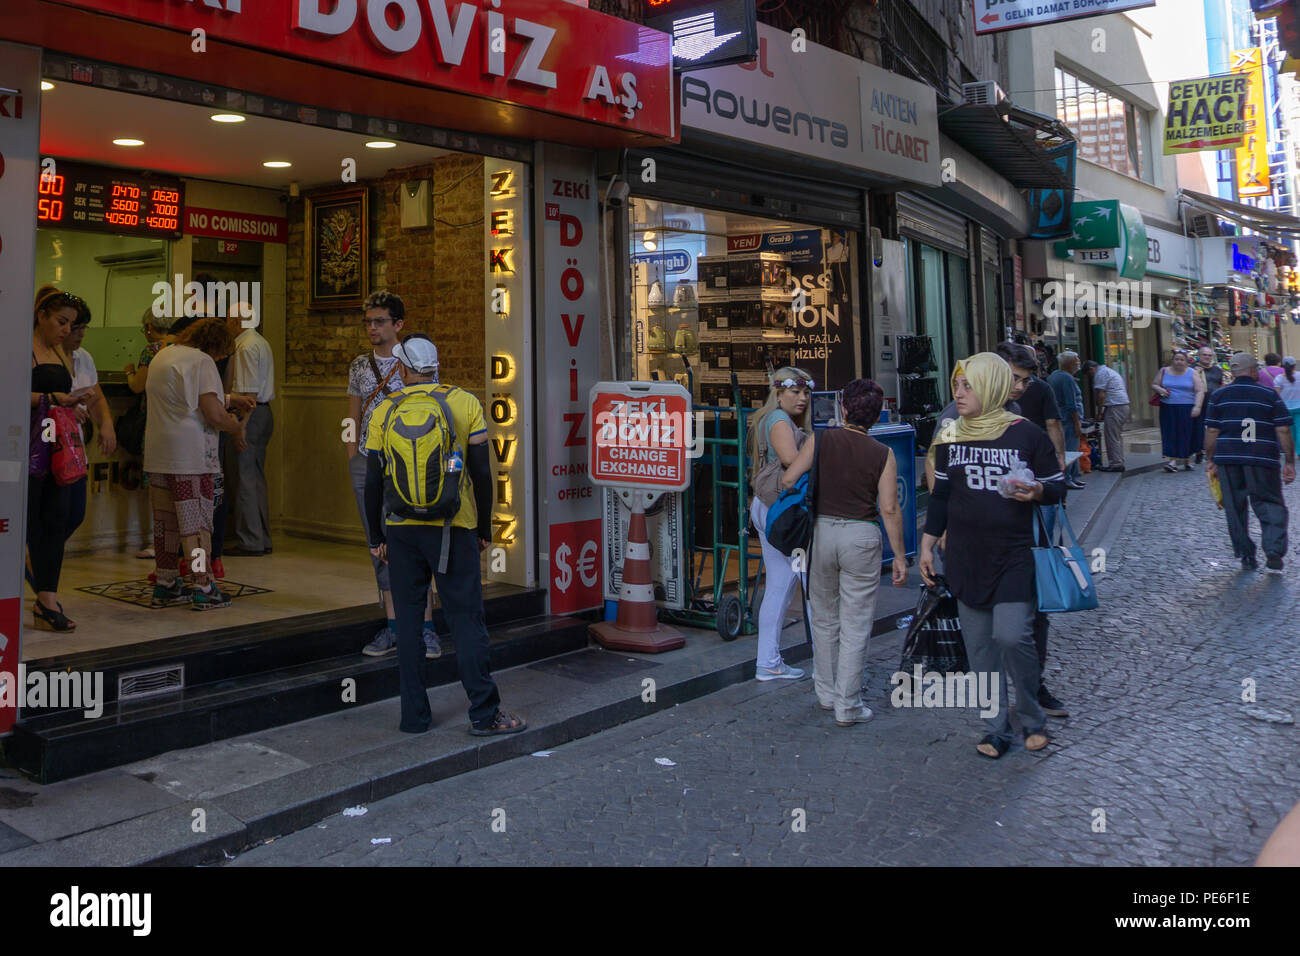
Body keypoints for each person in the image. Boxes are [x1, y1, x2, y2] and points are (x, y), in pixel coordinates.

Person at [364, 334, 525, 735]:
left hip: (401, 531)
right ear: (435, 367)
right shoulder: (464, 402)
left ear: (403, 369)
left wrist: (375, 536)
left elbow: (372, 481)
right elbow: (483, 473)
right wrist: (484, 526)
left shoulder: (384, 410)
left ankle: (414, 717)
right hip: (455, 528)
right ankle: (485, 714)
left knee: (409, 624)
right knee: (467, 620)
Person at [919, 353, 1066, 758]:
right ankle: (995, 729)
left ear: (992, 388)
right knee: (981, 649)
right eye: (957, 386)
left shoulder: (1027, 435)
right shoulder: (951, 435)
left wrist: (1036, 491)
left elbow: (1057, 485)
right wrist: (928, 543)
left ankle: (1032, 716)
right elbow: (942, 496)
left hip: (1014, 555)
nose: (959, 394)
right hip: (966, 557)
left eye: (968, 386)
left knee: (1012, 634)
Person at [780, 380, 908, 724]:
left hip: (821, 533)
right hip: (861, 536)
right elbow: (890, 508)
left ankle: (826, 692)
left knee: (823, 618)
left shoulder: (820, 439)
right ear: (877, 417)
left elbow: (789, 479)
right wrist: (899, 555)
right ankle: (847, 704)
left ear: (844, 408)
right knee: (855, 623)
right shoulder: (884, 453)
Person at [346, 291, 442, 659]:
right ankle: (393, 626)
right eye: (368, 321)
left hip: (410, 463)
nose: (372, 328)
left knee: (416, 540)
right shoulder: (358, 367)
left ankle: (426, 626)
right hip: (369, 461)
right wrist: (352, 455)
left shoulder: (418, 359)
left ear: (398, 324)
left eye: (380, 321)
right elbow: (352, 415)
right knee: (378, 543)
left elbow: (435, 405)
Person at [144, 317, 249, 609]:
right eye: (221, 353)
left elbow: (182, 397)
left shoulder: (163, 355)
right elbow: (213, 414)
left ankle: (165, 584)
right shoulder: (201, 361)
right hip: (191, 457)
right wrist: (236, 426)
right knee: (197, 525)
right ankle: (203, 586)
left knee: (166, 525)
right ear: (214, 345)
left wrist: (229, 398)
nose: (219, 358)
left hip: (159, 453)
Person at [28, 286, 94, 631]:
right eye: (61, 322)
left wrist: (74, 406)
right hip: (27, 442)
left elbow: (63, 398)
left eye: (71, 324)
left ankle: (47, 598)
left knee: (58, 517)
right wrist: (52, 399)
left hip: (55, 443)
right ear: (41, 316)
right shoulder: (22, 346)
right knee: (30, 517)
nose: (67, 330)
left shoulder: (59, 352)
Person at [746, 367, 816, 682]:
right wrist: (816, 447)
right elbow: (791, 461)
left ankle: (768, 661)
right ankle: (824, 659)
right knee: (807, 584)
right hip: (784, 513)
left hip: (769, 508)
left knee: (779, 585)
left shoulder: (771, 419)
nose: (802, 398)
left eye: (806, 393)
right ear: (779, 392)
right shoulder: (778, 421)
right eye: (795, 392)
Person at [1203, 352, 1295, 571]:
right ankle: (1273, 549)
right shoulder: (1269, 395)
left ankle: (1245, 554)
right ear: (1253, 370)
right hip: (1263, 458)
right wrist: (1289, 461)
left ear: (1233, 373)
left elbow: (1213, 430)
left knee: (1234, 508)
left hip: (1229, 458)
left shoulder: (1219, 396)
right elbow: (1283, 429)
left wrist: (1210, 458)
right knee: (1270, 502)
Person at [222, 301, 275, 556]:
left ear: (237, 321)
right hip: (265, 413)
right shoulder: (260, 341)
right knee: (255, 476)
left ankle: (250, 539)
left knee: (244, 477)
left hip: (250, 415)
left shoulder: (244, 346)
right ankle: (262, 537)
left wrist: (240, 426)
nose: (228, 324)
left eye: (230, 319)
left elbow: (248, 392)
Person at [66, 300, 117, 540]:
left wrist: (106, 423)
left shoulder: (84, 357)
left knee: (75, 512)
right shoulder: (41, 356)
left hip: (74, 450)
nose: (80, 334)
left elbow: (96, 397)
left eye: (83, 328)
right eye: (75, 328)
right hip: (48, 445)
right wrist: (66, 407)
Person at [125, 306, 173, 559]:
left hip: (153, 421)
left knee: (156, 486)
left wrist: (129, 371)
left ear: (149, 327)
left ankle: (158, 541)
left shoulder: (151, 350)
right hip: (175, 422)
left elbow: (136, 386)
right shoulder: (179, 347)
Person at [1151, 348, 1205, 472]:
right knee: (1170, 433)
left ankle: (1186, 459)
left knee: (1186, 433)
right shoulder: (1164, 371)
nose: (1179, 362)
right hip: (1168, 407)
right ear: (1172, 360)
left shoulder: (1192, 373)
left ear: (1186, 361)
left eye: (1182, 360)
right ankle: (1173, 461)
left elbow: (1199, 390)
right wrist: (1160, 390)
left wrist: (1197, 407)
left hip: (1187, 407)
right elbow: (1154, 384)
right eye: (1176, 359)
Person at [1082, 359, 1130, 471]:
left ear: (1091, 369)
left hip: (1115, 406)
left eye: (1089, 374)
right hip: (1121, 405)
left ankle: (1116, 464)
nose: (1090, 377)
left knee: (1111, 436)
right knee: (1115, 435)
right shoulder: (1108, 371)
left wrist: (1099, 413)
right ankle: (1118, 461)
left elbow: (1101, 395)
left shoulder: (1100, 373)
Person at [1047, 351, 1085, 489]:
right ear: (1070, 364)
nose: (1078, 363)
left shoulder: (1054, 376)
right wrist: (1077, 424)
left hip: (1061, 417)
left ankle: (1073, 476)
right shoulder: (1067, 379)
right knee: (1070, 448)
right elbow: (1071, 404)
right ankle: (1068, 478)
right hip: (1067, 419)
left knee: (1068, 448)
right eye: (1077, 360)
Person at [1191, 345, 1225, 464]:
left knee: (1213, 427)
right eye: (1204, 355)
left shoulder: (1217, 369)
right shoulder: (1192, 369)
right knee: (1198, 428)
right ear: (1199, 356)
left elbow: (1221, 384)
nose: (1207, 357)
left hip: (1214, 402)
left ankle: (1212, 450)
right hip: (1197, 402)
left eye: (1209, 355)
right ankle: (1199, 451)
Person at [1273, 356, 1300, 436]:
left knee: (1290, 431)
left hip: (1285, 408)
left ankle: (1292, 447)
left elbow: (1277, 395)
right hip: (1299, 407)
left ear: (1283, 366)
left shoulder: (1279, 378)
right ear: (1295, 365)